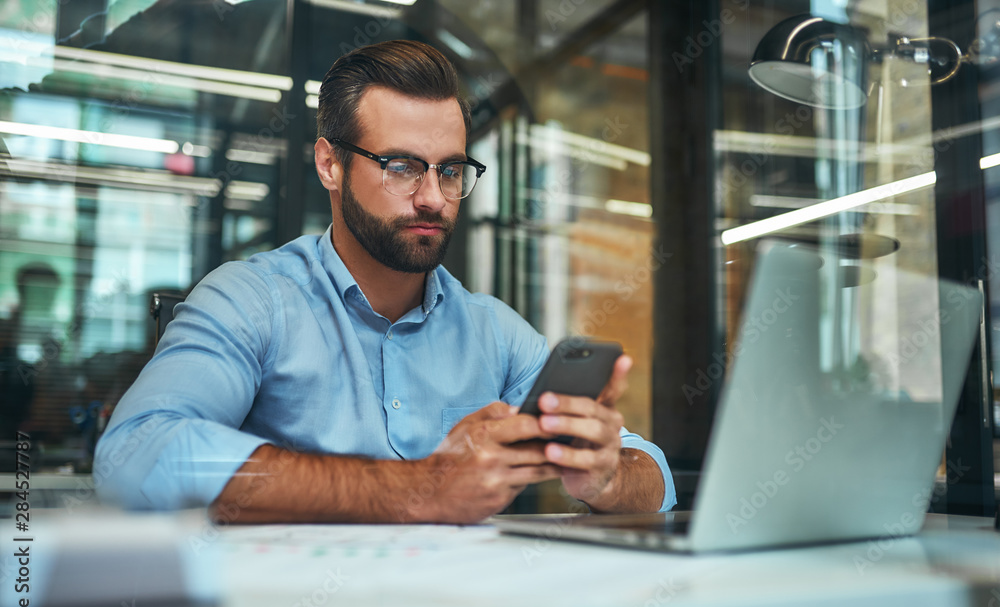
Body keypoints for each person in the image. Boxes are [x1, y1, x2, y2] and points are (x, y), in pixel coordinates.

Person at [95, 40, 677, 523]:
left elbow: (655, 474)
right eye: (400, 167)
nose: (432, 197)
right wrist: (418, 488)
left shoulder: (491, 331)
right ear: (330, 164)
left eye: (450, 170)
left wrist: (605, 476)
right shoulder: (251, 300)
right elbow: (135, 455)